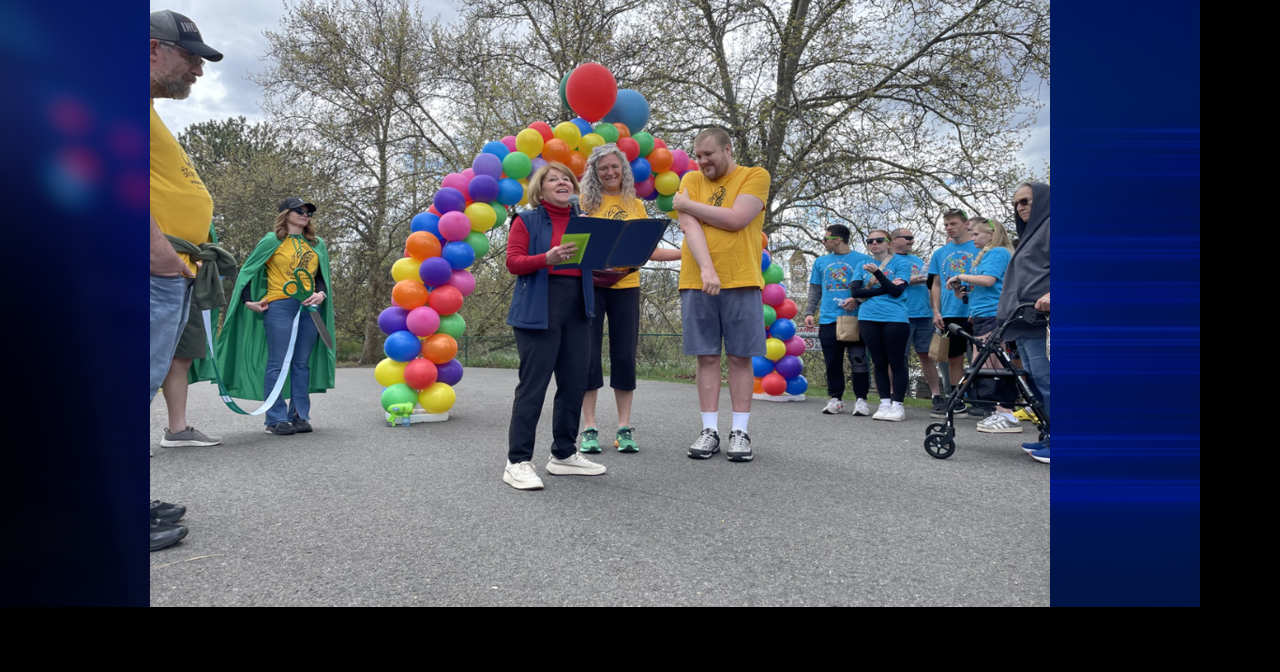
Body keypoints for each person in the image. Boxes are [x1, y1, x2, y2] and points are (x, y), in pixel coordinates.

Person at [150, 9, 224, 551]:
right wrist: (157, 251)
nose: (197, 70)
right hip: (153, 266)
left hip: (171, 269)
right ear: (152, 48)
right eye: (190, 57)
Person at [503, 163, 608, 490]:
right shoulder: (526, 220)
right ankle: (517, 461)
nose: (562, 182)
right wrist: (545, 258)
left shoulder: (584, 222)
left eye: (567, 179)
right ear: (541, 188)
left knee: (575, 383)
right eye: (553, 179)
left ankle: (564, 453)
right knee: (533, 386)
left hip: (578, 306)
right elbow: (513, 262)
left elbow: (594, 266)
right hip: (539, 307)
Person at [671, 128, 771, 462]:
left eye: (709, 154)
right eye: (698, 155)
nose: (702, 161)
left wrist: (688, 204)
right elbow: (690, 226)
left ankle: (740, 433)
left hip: (741, 278)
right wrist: (707, 270)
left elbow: (737, 219)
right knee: (707, 356)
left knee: (741, 357)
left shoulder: (754, 176)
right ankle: (709, 430)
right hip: (697, 280)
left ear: (727, 149)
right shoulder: (690, 179)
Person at [577, 144, 683, 455]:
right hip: (591, 287)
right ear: (595, 173)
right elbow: (573, 245)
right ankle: (589, 429)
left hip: (627, 286)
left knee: (624, 356)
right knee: (588, 356)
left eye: (615, 166)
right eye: (603, 168)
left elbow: (648, 251)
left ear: (623, 169)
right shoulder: (583, 203)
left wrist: (687, 252)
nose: (610, 172)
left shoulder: (636, 205)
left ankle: (624, 428)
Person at [216, 198, 336, 435]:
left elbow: (320, 276)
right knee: (278, 362)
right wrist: (247, 301)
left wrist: (321, 294)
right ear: (285, 214)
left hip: (310, 308)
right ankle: (275, 419)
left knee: (301, 363)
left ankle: (299, 415)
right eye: (300, 211)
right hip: (280, 305)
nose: (305, 215)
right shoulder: (272, 240)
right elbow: (248, 271)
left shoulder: (316, 244)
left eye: (309, 212)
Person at [948, 218, 1020, 433]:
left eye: (976, 234)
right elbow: (987, 287)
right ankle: (1001, 411)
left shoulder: (997, 252)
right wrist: (965, 295)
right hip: (982, 314)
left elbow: (988, 280)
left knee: (988, 365)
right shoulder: (990, 254)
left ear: (991, 234)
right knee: (986, 364)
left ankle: (1005, 413)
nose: (972, 238)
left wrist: (960, 275)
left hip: (992, 315)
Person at [997, 183, 1051, 464]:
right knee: (1035, 379)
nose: (1020, 207)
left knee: (1049, 378)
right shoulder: (1030, 234)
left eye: (1026, 201)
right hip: (1023, 317)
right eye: (1017, 203)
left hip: (1043, 318)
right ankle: (1050, 434)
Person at [804, 224, 874, 416]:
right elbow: (815, 290)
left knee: (859, 360)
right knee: (832, 361)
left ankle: (861, 400)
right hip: (829, 319)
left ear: (837, 240)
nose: (823, 242)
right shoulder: (820, 262)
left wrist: (858, 300)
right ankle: (835, 398)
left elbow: (872, 285)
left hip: (855, 318)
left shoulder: (863, 260)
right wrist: (809, 312)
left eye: (825, 238)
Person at [843, 230, 911, 421]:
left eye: (879, 240)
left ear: (889, 243)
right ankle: (884, 402)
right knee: (879, 362)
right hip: (868, 317)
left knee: (896, 362)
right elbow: (856, 292)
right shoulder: (861, 265)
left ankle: (898, 405)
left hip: (894, 318)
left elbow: (897, 292)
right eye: (870, 241)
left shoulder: (901, 263)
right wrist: (885, 287)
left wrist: (877, 274)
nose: (874, 243)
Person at [928, 208, 979, 415]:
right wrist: (936, 311)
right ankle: (957, 400)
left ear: (966, 224)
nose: (949, 228)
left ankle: (985, 401)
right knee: (953, 357)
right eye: (946, 225)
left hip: (977, 310)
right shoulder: (940, 253)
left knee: (982, 357)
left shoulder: (980, 247)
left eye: (953, 224)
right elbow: (936, 284)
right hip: (950, 312)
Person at [892, 228, 944, 414]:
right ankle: (893, 396)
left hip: (924, 315)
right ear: (894, 240)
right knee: (897, 358)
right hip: (900, 315)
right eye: (907, 238)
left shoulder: (918, 261)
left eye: (912, 237)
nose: (912, 241)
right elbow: (883, 285)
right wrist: (908, 280)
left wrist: (935, 311)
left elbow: (931, 287)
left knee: (927, 356)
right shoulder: (888, 261)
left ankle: (936, 395)